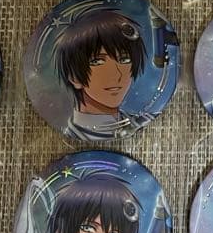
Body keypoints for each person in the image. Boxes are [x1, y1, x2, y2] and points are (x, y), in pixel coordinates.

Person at [53, 8, 149, 140]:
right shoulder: (67, 135)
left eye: (124, 60)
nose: (116, 74)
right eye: (97, 61)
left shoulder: (145, 123)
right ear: (74, 77)